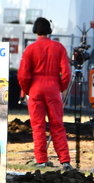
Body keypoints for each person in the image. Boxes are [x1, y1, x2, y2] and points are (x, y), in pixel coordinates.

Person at [18, 17, 72, 171]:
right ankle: (64, 161)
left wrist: (25, 89)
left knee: (38, 126)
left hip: (35, 90)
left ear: (35, 30)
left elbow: (22, 75)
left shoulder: (30, 49)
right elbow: (66, 73)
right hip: (53, 89)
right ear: (50, 30)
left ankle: (41, 160)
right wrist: (60, 87)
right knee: (57, 125)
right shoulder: (59, 48)